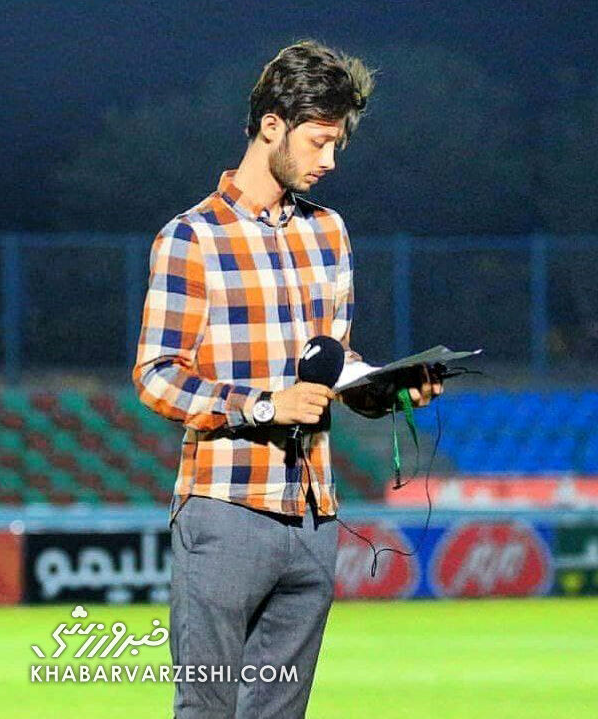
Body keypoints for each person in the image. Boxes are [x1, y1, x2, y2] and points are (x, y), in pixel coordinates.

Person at [131, 40, 443, 718]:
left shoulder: (329, 232)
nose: (329, 160)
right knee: (207, 708)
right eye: (319, 141)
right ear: (272, 125)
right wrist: (264, 406)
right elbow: (156, 376)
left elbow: (336, 363)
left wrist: (388, 389)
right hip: (226, 509)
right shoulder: (192, 237)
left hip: (314, 515)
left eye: (336, 144)